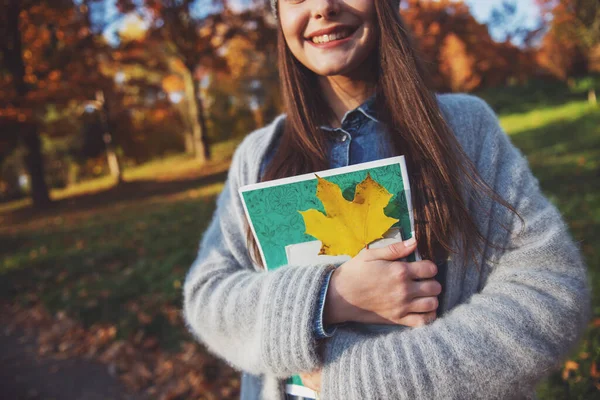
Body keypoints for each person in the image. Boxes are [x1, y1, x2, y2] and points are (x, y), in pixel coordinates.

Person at [182, 0, 591, 399]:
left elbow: (549, 287)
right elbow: (209, 295)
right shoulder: (259, 155)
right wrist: (331, 296)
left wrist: (362, 379)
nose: (323, 7)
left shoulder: (465, 130)